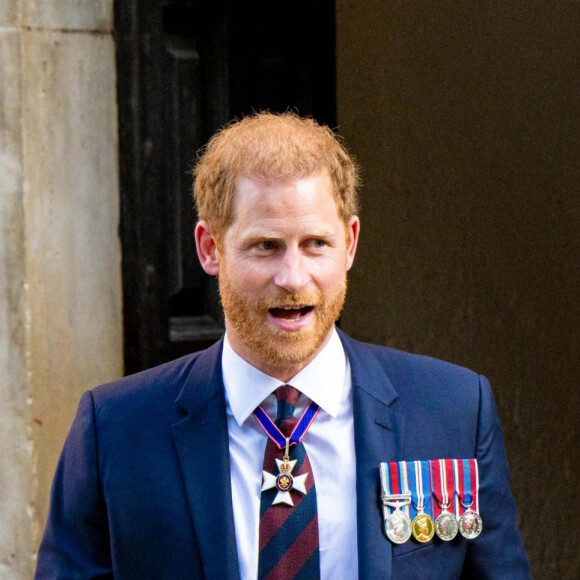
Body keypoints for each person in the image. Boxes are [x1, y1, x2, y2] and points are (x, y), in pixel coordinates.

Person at [35, 112, 531, 579]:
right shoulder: (116, 430)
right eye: (266, 246)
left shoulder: (454, 411)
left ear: (351, 243)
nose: (293, 278)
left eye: (316, 243)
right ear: (210, 248)